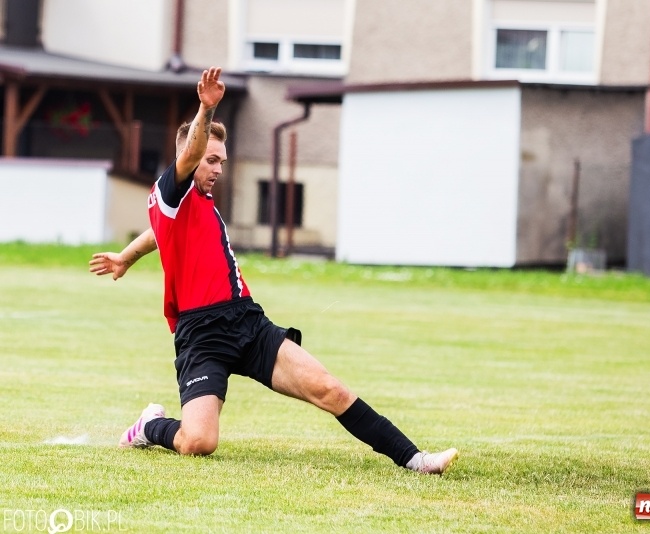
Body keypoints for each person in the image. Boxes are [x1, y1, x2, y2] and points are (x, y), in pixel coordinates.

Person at [89, 67, 458, 475]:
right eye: (210, 160)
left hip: (246, 322)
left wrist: (125, 257)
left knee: (328, 389)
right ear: (187, 157)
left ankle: (416, 459)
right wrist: (206, 108)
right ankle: (150, 425)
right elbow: (187, 160)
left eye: (222, 161)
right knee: (198, 442)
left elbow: (157, 233)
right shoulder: (170, 189)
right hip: (200, 336)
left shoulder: (188, 207)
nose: (217, 169)